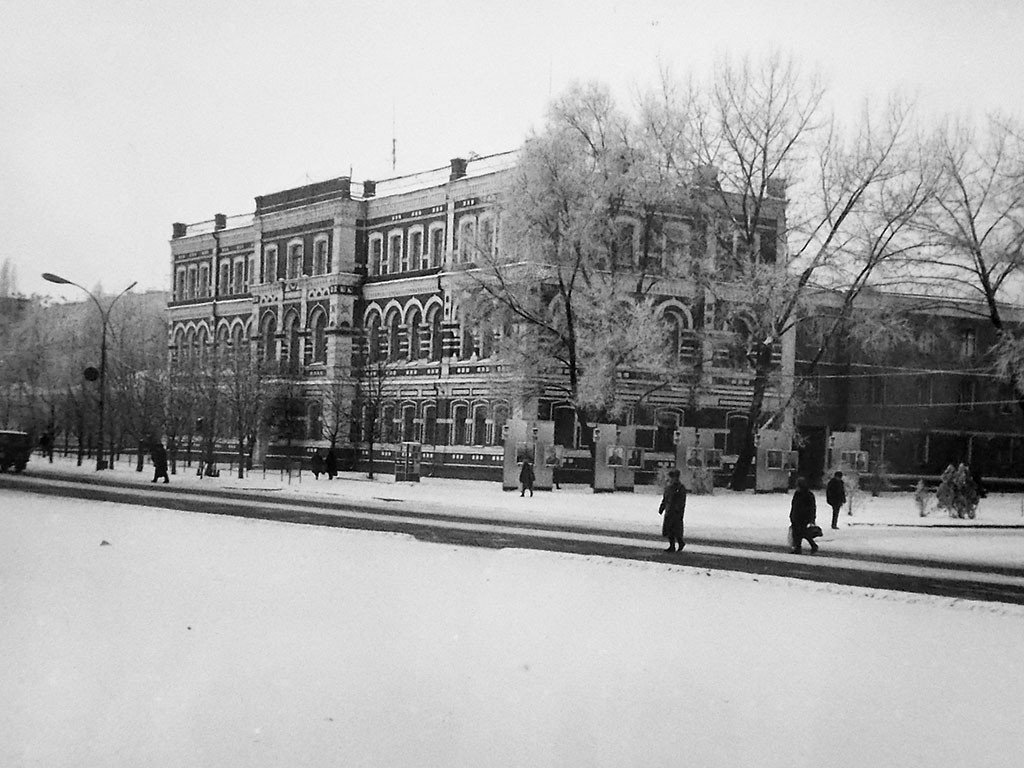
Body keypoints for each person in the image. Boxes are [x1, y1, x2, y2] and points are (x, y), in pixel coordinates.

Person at [658, 468, 688, 553]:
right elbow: (665, 499)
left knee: (676, 529)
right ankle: (672, 545)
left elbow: (682, 500)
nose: (671, 479)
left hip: (676, 512)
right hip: (669, 511)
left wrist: (678, 509)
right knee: (669, 529)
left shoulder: (680, 488)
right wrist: (662, 508)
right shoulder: (668, 487)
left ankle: (680, 542)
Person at [789, 476, 818, 554]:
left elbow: (812, 507)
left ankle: (801, 547)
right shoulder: (798, 494)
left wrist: (812, 518)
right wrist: (792, 515)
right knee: (798, 533)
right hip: (796, 516)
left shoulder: (808, 495)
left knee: (801, 532)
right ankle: (800, 547)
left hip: (804, 517)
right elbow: (794, 505)